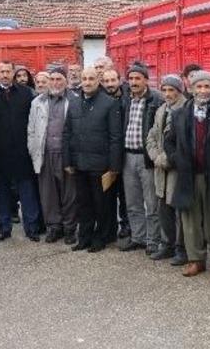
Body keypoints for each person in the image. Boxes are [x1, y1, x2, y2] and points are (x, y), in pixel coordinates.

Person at [164, 70, 210, 280]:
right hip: (188, 175)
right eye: (199, 86)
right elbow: (169, 141)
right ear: (192, 88)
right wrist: (177, 159)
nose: (203, 90)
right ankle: (195, 259)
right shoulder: (180, 114)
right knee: (190, 219)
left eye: (207, 86)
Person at [63, 67, 122, 253]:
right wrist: (67, 161)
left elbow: (115, 137)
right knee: (83, 204)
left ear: (99, 81)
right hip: (79, 163)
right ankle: (85, 237)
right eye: (84, 78)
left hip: (101, 165)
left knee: (101, 204)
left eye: (91, 79)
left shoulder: (110, 103)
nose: (87, 82)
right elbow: (67, 133)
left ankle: (101, 237)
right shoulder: (72, 102)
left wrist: (113, 167)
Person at [0, 61, 41, 242]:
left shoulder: (26, 94)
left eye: (9, 71)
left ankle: (31, 228)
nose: (5, 75)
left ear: (13, 73)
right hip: (0, 153)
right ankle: (4, 228)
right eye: (2, 71)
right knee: (2, 194)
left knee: (27, 192)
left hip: (23, 152)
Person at [28, 67, 78, 244]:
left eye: (59, 79)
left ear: (66, 82)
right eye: (53, 79)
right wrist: (34, 152)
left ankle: (70, 228)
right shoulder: (37, 102)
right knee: (48, 194)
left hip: (66, 155)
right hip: (45, 153)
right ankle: (54, 227)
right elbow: (31, 130)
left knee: (69, 194)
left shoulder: (74, 101)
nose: (55, 83)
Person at [119, 64, 165, 257]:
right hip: (127, 157)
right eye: (131, 79)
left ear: (146, 80)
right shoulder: (125, 100)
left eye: (138, 78)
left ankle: (153, 241)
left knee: (152, 203)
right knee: (132, 201)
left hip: (147, 158)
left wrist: (156, 155)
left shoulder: (156, 99)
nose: (134, 82)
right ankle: (138, 237)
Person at [146, 74, 188, 264]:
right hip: (160, 168)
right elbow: (152, 135)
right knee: (163, 209)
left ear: (180, 91)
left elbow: (184, 142)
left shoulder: (186, 109)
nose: (167, 93)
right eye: (164, 90)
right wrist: (155, 155)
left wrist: (165, 159)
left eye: (172, 90)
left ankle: (181, 248)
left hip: (176, 169)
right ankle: (167, 244)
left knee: (178, 211)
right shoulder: (161, 109)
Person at [101, 68, 130, 241]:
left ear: (119, 80)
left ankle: (126, 224)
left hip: (125, 153)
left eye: (113, 80)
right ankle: (109, 226)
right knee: (108, 193)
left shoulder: (128, 99)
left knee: (125, 194)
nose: (110, 84)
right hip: (107, 154)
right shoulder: (100, 99)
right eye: (106, 81)